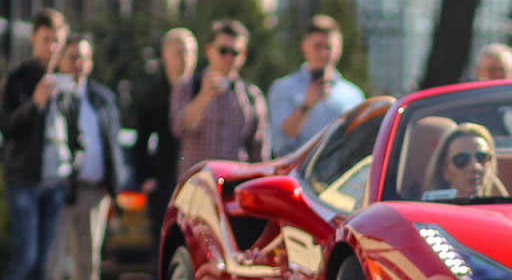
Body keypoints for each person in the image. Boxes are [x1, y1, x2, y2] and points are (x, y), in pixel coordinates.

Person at [43, 35, 126, 280]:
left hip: (96, 191)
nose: (79, 63)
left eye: (84, 58)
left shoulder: (101, 97)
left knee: (88, 262)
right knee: (54, 260)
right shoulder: (56, 92)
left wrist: (114, 183)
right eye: (73, 56)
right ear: (62, 59)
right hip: (63, 188)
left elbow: (112, 141)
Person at [0, 8, 74, 280]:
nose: (52, 46)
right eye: (46, 40)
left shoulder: (64, 79)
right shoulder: (19, 78)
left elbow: (74, 128)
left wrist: (77, 154)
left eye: (57, 40)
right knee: (26, 256)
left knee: (43, 262)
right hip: (24, 180)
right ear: (34, 39)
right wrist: (36, 101)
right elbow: (9, 127)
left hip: (54, 180)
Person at [171, 20, 269, 176]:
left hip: (233, 188)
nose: (229, 57)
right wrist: (204, 94)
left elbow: (259, 152)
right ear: (209, 50)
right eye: (223, 51)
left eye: (235, 52)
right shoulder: (188, 86)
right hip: (196, 185)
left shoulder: (251, 95)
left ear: (243, 55)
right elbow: (179, 127)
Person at [133, 27, 196, 252]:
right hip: (164, 182)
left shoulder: (201, 92)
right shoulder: (153, 95)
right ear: (165, 56)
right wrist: (146, 178)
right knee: (162, 248)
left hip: (195, 181)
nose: (185, 58)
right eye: (179, 52)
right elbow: (140, 142)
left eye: (190, 52)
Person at [267, 14, 365, 156]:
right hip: (296, 176)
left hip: (339, 175)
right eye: (317, 46)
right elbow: (279, 142)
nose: (323, 53)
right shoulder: (283, 88)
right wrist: (305, 107)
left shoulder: (353, 95)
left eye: (329, 47)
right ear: (304, 47)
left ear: (339, 49)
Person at [422, 123, 501, 199]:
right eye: (462, 160)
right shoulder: (431, 210)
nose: (475, 167)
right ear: (445, 171)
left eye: (482, 158)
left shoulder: (502, 207)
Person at [471, 44, 512, 141]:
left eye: (503, 70)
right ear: (479, 71)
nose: (498, 76)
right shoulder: (465, 105)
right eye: (492, 70)